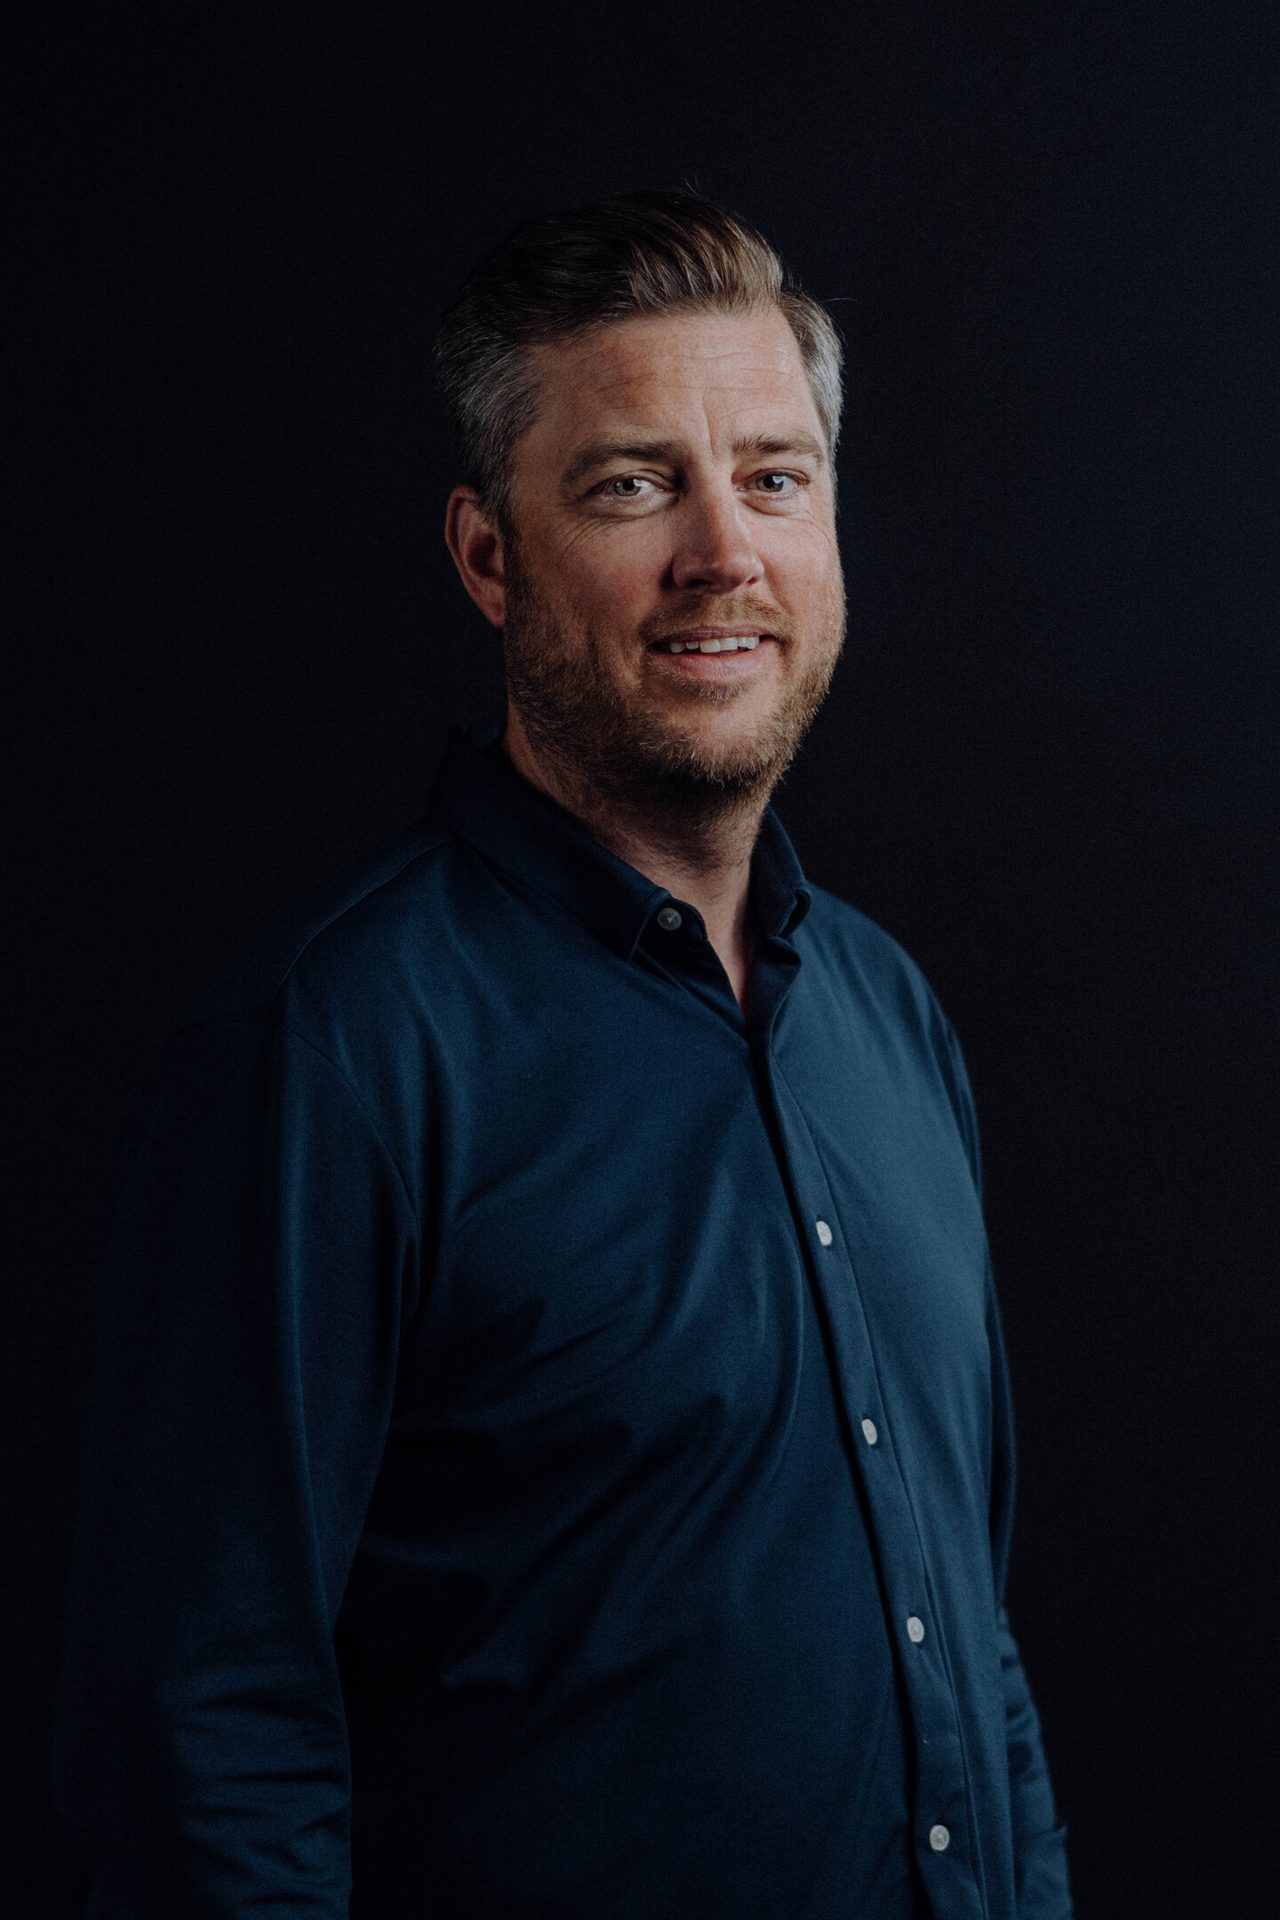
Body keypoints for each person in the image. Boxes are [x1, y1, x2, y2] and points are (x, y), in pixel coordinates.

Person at [54, 190, 1072, 1918]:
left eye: (773, 475)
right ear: (486, 555)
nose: (722, 553)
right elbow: (205, 1735)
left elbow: (971, 1647)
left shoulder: (892, 1021)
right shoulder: (338, 1051)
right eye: (631, 483)